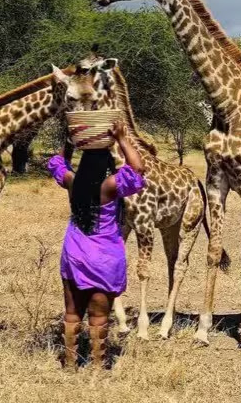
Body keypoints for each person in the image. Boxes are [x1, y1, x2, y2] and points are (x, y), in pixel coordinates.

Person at [47, 121, 146, 369]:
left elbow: (56, 164)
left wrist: (69, 143)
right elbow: (138, 169)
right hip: (103, 258)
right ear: (106, 167)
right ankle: (98, 366)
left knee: (72, 313)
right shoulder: (110, 186)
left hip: (74, 253)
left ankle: (70, 363)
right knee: (99, 317)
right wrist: (123, 139)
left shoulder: (72, 181)